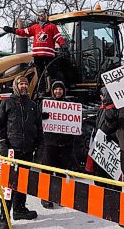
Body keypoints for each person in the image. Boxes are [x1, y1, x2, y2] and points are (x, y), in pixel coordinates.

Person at [0, 75, 44, 229]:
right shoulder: (7, 103)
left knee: (23, 183)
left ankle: (20, 209)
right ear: (15, 86)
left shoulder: (32, 105)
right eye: (21, 83)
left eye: (25, 84)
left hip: (27, 151)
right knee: (8, 185)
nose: (23, 86)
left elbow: (38, 127)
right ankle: (4, 217)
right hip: (11, 151)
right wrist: (2, 143)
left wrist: (39, 147)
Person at [3, 9, 67, 95]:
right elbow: (23, 32)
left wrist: (63, 45)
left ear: (46, 16)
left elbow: (58, 37)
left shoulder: (52, 26)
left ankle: (54, 91)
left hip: (49, 55)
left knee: (52, 73)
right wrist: (12, 30)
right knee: (40, 73)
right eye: (40, 15)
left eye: (43, 14)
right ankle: (42, 91)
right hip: (38, 55)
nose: (41, 16)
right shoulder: (35, 27)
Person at [40, 80, 77, 209]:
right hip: (50, 144)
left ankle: (61, 196)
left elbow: (75, 123)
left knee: (62, 173)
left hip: (65, 145)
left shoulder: (69, 105)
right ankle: (46, 197)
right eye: (56, 89)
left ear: (64, 91)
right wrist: (42, 117)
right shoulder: (46, 105)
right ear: (52, 90)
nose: (58, 91)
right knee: (47, 171)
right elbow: (38, 121)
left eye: (60, 89)